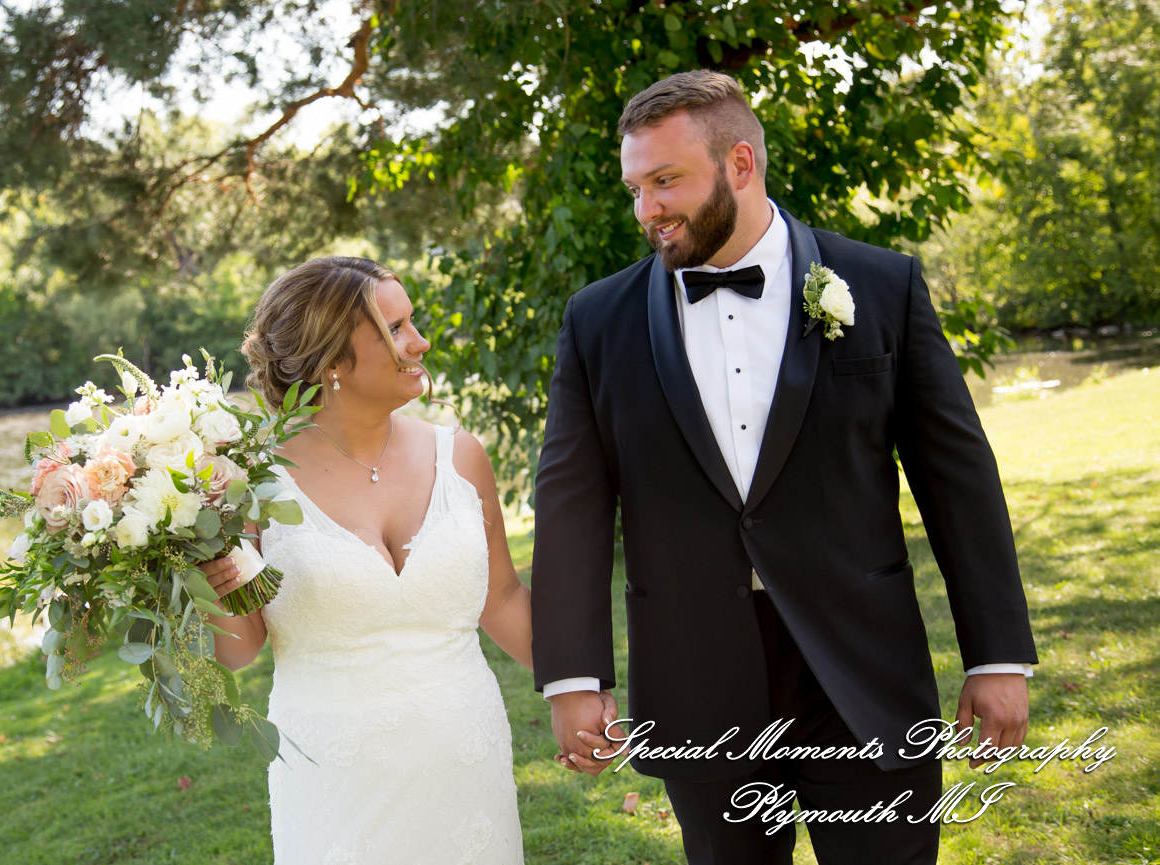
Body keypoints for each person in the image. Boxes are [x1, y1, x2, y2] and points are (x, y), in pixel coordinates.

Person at [532, 71, 1039, 864]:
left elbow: (958, 480)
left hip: (862, 673)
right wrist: (571, 674)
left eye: (665, 181)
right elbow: (571, 503)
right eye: (635, 187)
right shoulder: (597, 320)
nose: (646, 210)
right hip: (698, 678)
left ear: (740, 164)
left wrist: (996, 655)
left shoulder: (880, 285)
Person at [198, 256, 616, 865]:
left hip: (465, 756)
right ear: (333, 361)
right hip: (334, 774)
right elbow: (239, 646)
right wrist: (211, 558)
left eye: (411, 321)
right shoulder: (250, 479)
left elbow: (500, 599)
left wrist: (579, 691)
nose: (420, 342)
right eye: (394, 329)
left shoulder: (460, 456)